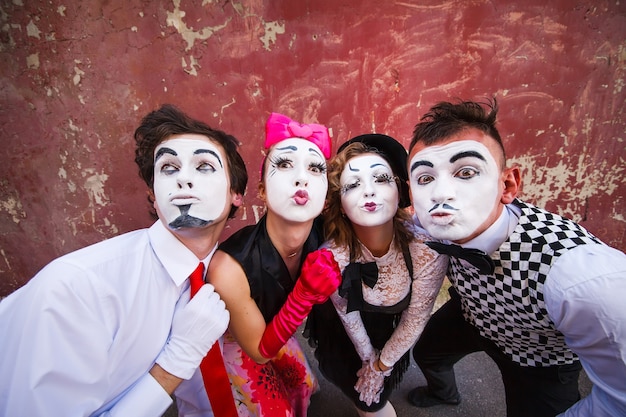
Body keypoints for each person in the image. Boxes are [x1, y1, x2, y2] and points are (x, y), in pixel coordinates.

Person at [0, 104, 248, 416]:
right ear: (153, 196)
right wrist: (176, 361)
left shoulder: (218, 274)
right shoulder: (76, 291)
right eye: (169, 168)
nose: (183, 179)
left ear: (236, 194)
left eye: (203, 167)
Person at [406, 99, 626, 417]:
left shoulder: (583, 280)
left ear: (508, 184)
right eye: (425, 179)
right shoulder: (432, 217)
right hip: (472, 315)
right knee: (427, 351)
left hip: (539, 357)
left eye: (465, 172)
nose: (441, 193)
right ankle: (444, 393)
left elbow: (619, 403)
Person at [179, 112, 341, 417]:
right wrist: (304, 294)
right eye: (283, 164)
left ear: (326, 197)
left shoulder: (325, 232)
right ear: (263, 190)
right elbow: (258, 350)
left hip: (276, 325)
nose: (301, 178)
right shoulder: (228, 267)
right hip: (237, 341)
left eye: (315, 168)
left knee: (301, 386)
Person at [306, 134, 448, 417]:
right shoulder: (331, 256)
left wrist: (380, 366)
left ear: (399, 190)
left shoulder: (427, 251)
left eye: (381, 179)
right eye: (353, 184)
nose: (369, 192)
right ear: (341, 205)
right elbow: (347, 314)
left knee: (373, 401)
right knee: (361, 397)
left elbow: (416, 317)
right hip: (342, 331)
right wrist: (368, 358)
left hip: (393, 334)